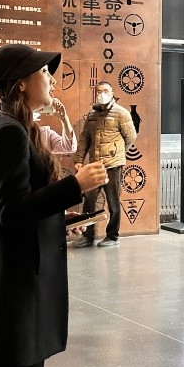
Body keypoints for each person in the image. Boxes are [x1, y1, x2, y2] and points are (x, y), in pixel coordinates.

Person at [0, 44, 109, 367]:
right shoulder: (9, 133)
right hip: (12, 289)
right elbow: (10, 211)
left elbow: (21, 203)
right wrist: (75, 185)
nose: (52, 80)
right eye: (43, 72)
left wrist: (59, 220)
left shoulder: (13, 125)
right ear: (21, 83)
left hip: (12, 285)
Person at [73, 81, 136, 248]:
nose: (102, 94)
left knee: (113, 202)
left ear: (112, 93)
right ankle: (88, 236)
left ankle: (113, 236)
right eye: (99, 91)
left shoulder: (121, 113)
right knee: (89, 201)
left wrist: (117, 152)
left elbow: (131, 137)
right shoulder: (92, 113)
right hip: (95, 165)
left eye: (106, 91)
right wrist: (79, 160)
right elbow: (85, 138)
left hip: (113, 165)